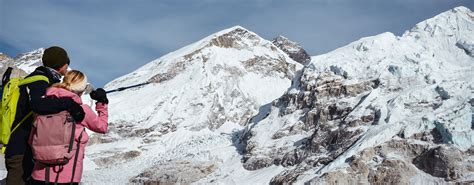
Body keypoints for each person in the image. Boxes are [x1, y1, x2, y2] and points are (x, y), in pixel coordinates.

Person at [4, 46, 86, 185]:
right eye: (67, 64)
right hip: (20, 149)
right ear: (63, 65)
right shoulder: (38, 80)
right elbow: (38, 105)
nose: (67, 68)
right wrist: (68, 103)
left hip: (30, 146)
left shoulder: (46, 80)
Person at [30, 70, 108, 185]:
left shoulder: (43, 105)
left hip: (38, 176)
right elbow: (102, 127)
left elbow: (31, 138)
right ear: (81, 90)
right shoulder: (81, 110)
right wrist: (102, 103)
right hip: (67, 177)